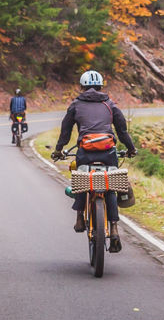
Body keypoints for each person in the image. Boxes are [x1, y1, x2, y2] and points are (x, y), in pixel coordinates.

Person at [51, 69, 136, 252]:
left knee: (83, 180)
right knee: (110, 187)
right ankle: (113, 229)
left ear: (82, 86)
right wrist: (131, 149)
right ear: (100, 86)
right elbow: (122, 131)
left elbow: (65, 131)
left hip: (86, 152)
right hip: (108, 152)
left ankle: (80, 217)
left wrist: (59, 150)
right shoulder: (110, 104)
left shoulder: (76, 105)